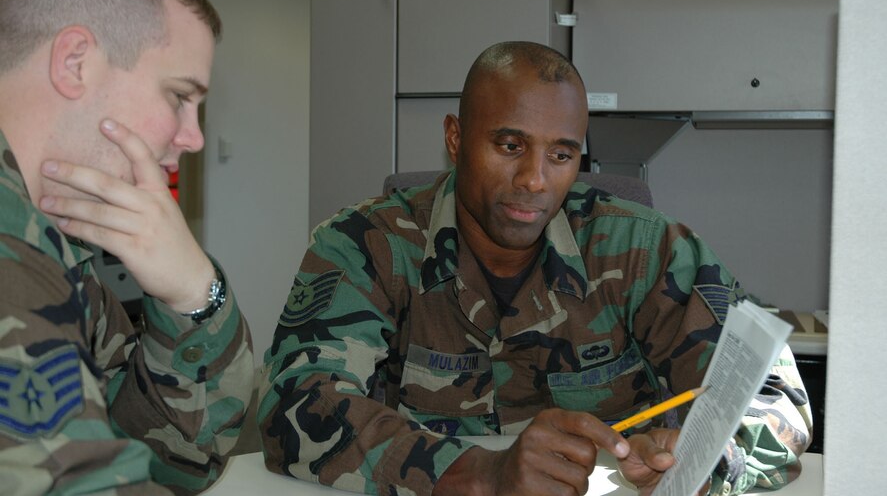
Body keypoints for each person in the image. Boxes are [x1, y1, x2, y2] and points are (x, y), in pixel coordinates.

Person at [259, 41, 811, 496]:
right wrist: (475, 473)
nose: (534, 179)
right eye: (508, 144)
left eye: (562, 155)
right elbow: (296, 403)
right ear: (456, 139)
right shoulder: (366, 246)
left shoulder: (645, 251)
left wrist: (693, 459)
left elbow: (776, 398)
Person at [0, 0, 253, 495]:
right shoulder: (10, 248)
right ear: (75, 63)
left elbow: (177, 458)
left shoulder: (56, 239)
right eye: (180, 97)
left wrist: (192, 293)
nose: (193, 138)